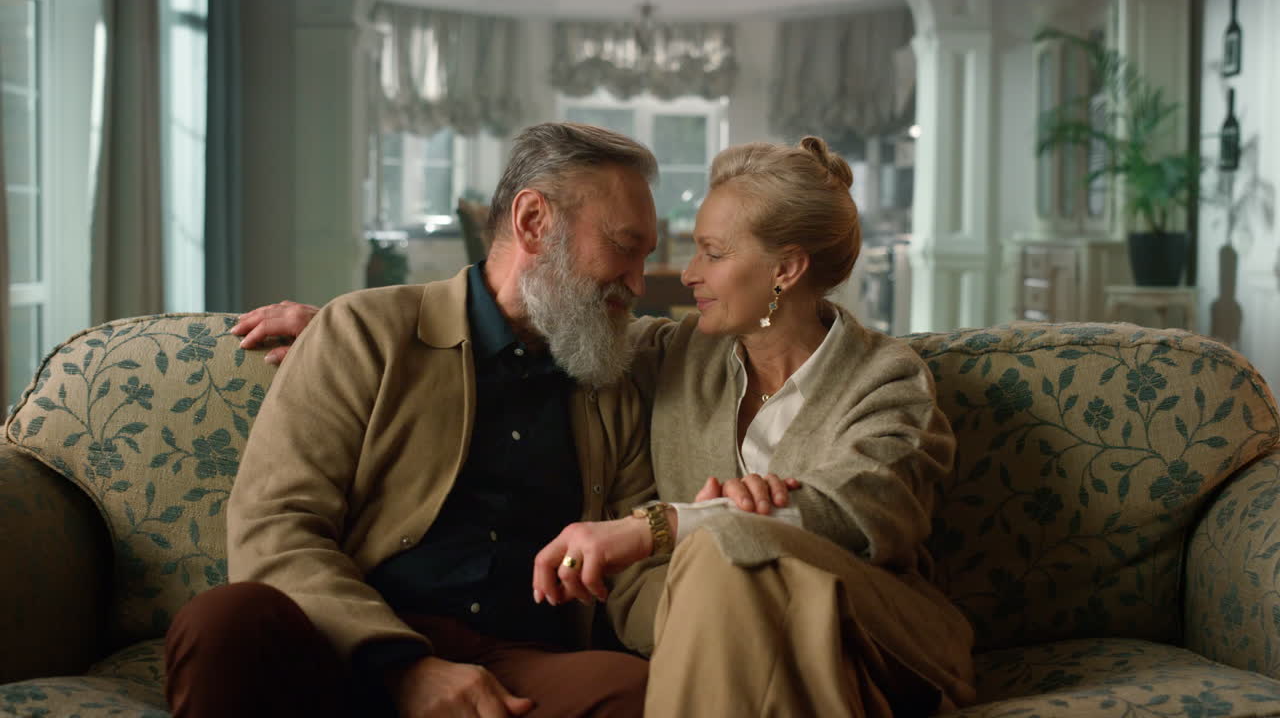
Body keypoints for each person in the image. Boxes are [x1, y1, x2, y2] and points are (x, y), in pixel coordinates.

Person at [236, 136, 977, 717]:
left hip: (862, 637)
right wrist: (346, 329)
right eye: (674, 249)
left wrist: (673, 526)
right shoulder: (676, 356)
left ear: (786, 270)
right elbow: (541, 322)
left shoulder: (888, 379)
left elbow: (865, 514)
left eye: (711, 253)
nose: (681, 275)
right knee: (717, 569)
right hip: (725, 645)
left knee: (723, 557)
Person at [163, 122, 676, 718]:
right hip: (350, 643)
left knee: (634, 693)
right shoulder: (363, 332)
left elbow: (636, 568)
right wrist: (405, 668)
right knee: (225, 620)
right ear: (533, 222)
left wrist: (732, 620)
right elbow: (277, 525)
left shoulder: (614, 373)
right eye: (623, 246)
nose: (639, 284)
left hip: (523, 668)